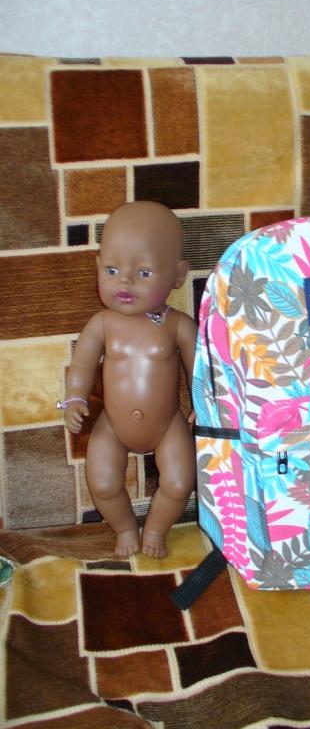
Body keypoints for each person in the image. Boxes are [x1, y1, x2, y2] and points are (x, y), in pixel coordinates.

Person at [59, 201, 197, 558]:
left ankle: (156, 529)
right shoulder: (103, 323)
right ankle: (124, 528)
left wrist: (204, 402)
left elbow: (200, 368)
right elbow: (82, 364)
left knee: (180, 482)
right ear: (98, 267)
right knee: (103, 483)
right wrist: (75, 398)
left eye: (145, 272)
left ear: (178, 276)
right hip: (113, 425)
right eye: (112, 269)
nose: (125, 281)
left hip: (168, 425)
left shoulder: (179, 325)